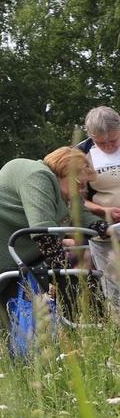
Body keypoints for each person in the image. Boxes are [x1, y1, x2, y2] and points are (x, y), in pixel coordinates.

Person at [0, 147, 97, 340]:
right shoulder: (38, 175)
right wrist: (60, 267)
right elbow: (42, 230)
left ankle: (16, 354)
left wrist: (103, 227)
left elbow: (81, 214)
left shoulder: (58, 191)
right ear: (67, 174)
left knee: (14, 310)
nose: (81, 191)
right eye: (80, 184)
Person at [77, 106, 120, 309]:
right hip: (105, 231)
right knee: (113, 287)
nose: (109, 146)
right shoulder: (81, 154)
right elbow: (76, 198)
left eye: (113, 140)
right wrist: (103, 211)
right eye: (101, 143)